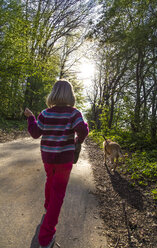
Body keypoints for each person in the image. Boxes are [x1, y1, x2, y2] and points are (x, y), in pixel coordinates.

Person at [24, 80, 89, 248]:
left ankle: (47, 206)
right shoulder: (74, 114)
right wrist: (78, 139)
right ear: (70, 95)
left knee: (49, 180)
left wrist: (31, 118)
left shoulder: (45, 114)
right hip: (64, 161)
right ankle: (45, 238)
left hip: (48, 158)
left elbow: (35, 133)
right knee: (58, 194)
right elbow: (82, 131)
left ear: (53, 93)